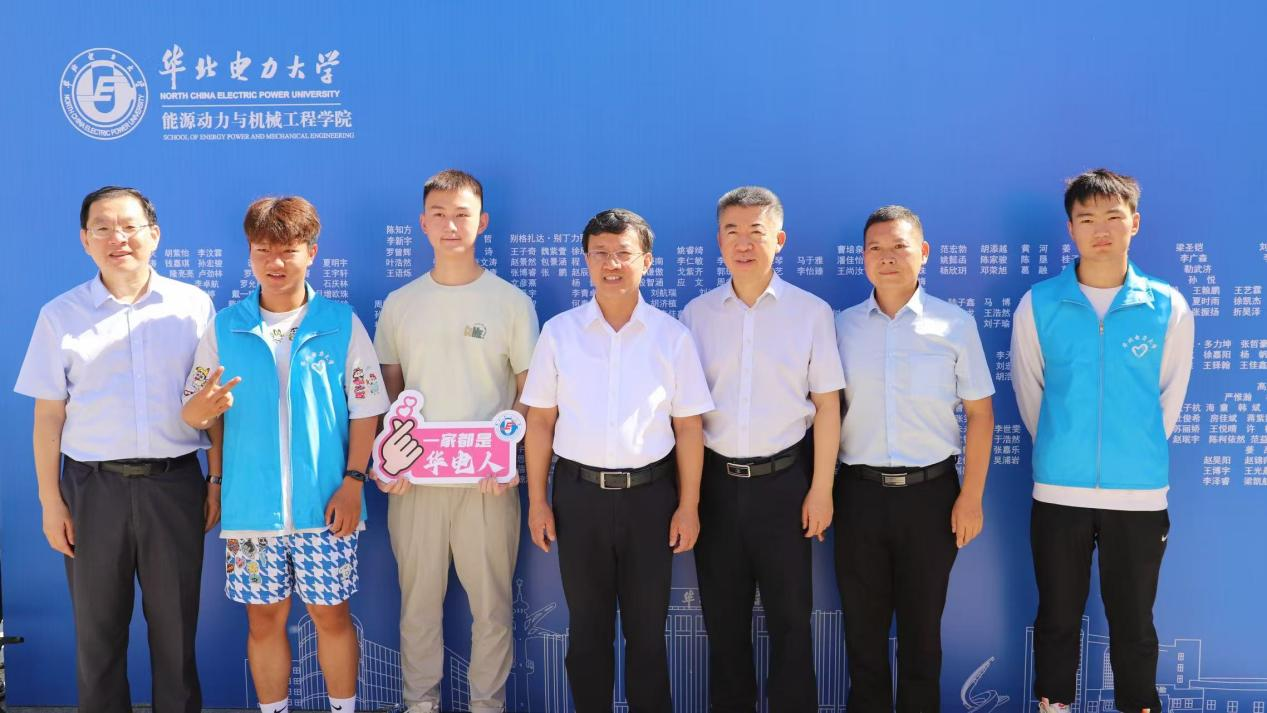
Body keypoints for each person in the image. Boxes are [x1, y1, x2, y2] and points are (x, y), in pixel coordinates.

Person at [182, 196, 388, 713]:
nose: (275, 262)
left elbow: (366, 408)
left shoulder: (341, 322)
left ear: (311, 252)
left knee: (331, 616)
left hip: (327, 508)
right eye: (262, 250)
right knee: (263, 620)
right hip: (251, 510)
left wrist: (354, 481)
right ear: (249, 254)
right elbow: (197, 412)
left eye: (288, 250)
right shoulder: (225, 327)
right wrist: (204, 424)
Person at [14, 185, 216, 712]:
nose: (117, 238)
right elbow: (48, 416)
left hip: (174, 483)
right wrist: (51, 502)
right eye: (102, 228)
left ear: (155, 235)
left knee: (176, 635)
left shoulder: (193, 307)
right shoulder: (60, 315)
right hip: (91, 489)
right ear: (85, 240)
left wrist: (215, 480)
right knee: (98, 637)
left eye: (129, 226)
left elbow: (214, 405)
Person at [1011, 169, 1194, 713]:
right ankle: (1054, 705)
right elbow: (1031, 394)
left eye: (1114, 217)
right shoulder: (1039, 304)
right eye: (1087, 219)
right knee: (1057, 616)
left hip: (1138, 495)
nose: (1102, 230)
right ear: (1071, 228)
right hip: (1059, 491)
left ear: (1135, 223)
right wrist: (1063, 447)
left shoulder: (1167, 306)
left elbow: (1167, 401)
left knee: (1134, 621)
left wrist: (1129, 449)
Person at [522, 208, 714, 713]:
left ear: (646, 261)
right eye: (600, 254)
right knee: (587, 631)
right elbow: (539, 423)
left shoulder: (671, 337)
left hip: (651, 499)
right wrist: (538, 501)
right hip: (578, 497)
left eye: (623, 254)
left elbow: (689, 428)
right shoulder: (560, 333)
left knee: (648, 634)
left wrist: (688, 506)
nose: (611, 264)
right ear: (586, 260)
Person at [373, 169, 539, 713]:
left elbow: (530, 394)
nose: (450, 225)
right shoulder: (400, 303)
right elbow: (388, 395)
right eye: (439, 215)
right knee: (418, 608)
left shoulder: (511, 303)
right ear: (423, 223)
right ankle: (419, 704)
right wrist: (390, 462)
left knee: (491, 609)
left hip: (487, 483)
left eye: (462, 215)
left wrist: (505, 453)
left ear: (482, 222)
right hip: (416, 485)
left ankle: (487, 705)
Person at [680, 186, 844, 712]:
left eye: (756, 231)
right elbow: (685, 416)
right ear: (719, 242)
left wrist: (821, 490)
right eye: (732, 232)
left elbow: (828, 406)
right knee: (723, 624)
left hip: (786, 485)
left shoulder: (811, 312)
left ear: (780, 239)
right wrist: (689, 499)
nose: (743, 243)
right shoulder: (696, 315)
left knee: (791, 623)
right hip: (716, 486)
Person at [834, 205, 995, 712]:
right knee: (863, 635)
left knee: (922, 636)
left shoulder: (955, 325)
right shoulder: (839, 328)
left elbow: (981, 415)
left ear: (923, 253)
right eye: (875, 248)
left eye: (899, 246)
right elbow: (824, 414)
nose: (887, 257)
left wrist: (971, 497)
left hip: (931, 497)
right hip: (857, 495)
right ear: (863, 257)